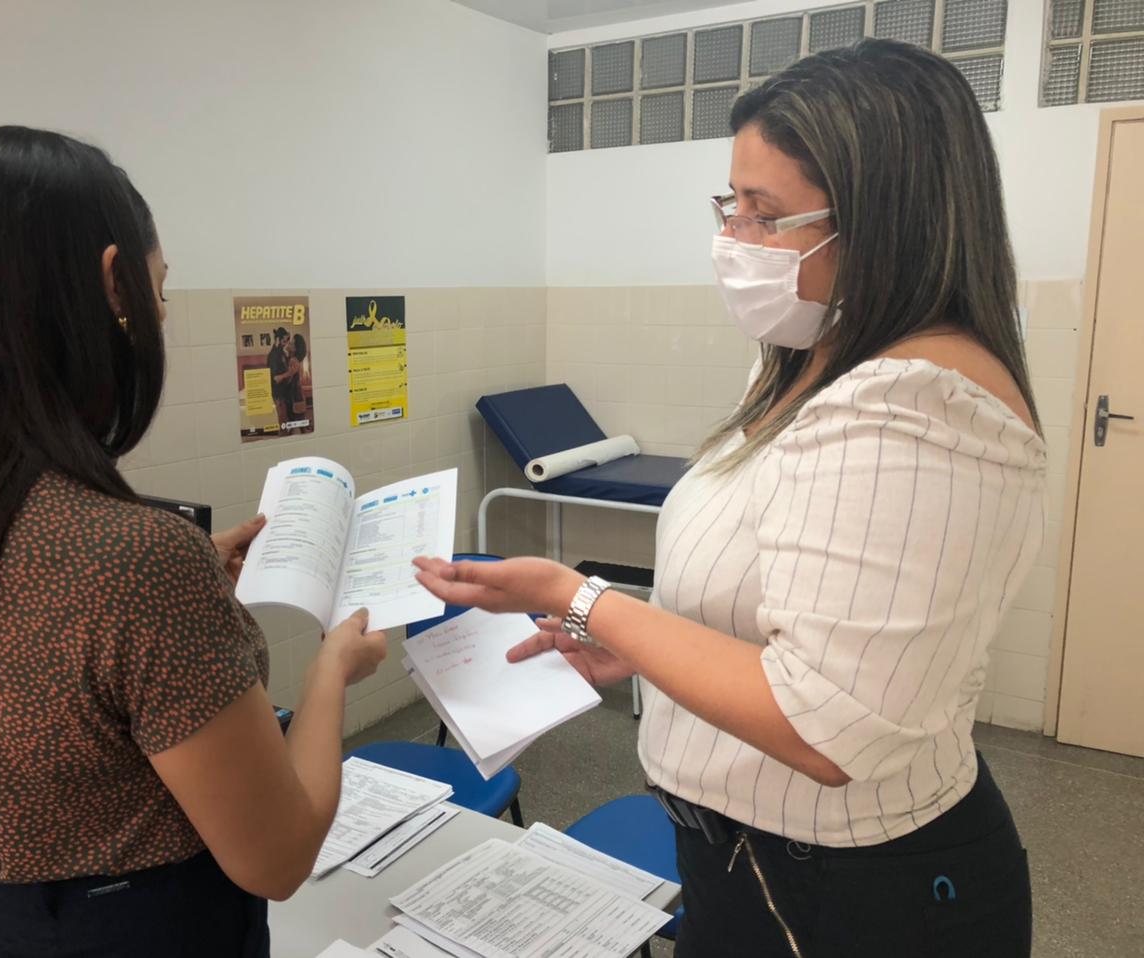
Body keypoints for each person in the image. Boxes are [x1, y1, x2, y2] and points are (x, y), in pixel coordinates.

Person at [415, 40, 1041, 958]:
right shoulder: (813, 356)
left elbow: (824, 727)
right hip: (746, 856)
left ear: (885, 219)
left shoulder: (914, 408)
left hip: (850, 891)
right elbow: (792, 605)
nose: (735, 239)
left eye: (766, 214)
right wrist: (648, 644)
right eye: (730, 205)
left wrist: (577, 596)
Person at [0, 126, 388, 957]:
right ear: (115, 282)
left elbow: (40, 665)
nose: (162, 315)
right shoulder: (135, 559)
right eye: (161, 289)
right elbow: (279, 857)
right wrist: (332, 670)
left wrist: (179, 595)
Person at [268, 326, 292, 426]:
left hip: (283, 391)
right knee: (281, 418)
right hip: (277, 393)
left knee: (284, 418)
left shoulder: (281, 352)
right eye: (284, 340)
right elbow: (275, 378)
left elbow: (285, 368)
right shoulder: (273, 355)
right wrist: (287, 374)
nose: (286, 343)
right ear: (278, 339)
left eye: (287, 340)